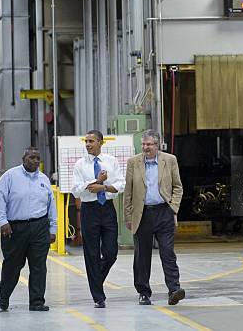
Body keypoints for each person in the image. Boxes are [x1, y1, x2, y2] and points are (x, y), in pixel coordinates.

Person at [124, 129, 185, 306]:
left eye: (149, 144)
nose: (145, 147)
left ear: (157, 145)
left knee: (167, 252)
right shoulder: (133, 162)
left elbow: (178, 187)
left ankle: (174, 289)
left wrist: (173, 208)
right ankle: (143, 292)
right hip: (142, 214)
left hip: (164, 212)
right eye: (143, 144)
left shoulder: (170, 160)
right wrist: (128, 215)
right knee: (142, 256)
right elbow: (128, 192)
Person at [0, 147, 57, 312]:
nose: (35, 161)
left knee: (39, 266)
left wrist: (53, 228)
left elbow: (51, 206)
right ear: (23, 159)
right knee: (12, 266)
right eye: (32, 157)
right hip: (14, 229)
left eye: (37, 158)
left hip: (39, 227)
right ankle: (4, 295)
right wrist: (2, 222)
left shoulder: (43, 179)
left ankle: (36, 302)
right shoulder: (9, 177)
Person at [72, 130, 125, 308]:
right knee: (92, 254)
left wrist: (103, 187)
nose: (88, 144)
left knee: (111, 253)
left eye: (91, 141)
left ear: (100, 142)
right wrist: (95, 181)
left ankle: (96, 281)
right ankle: (98, 297)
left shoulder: (111, 161)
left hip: (107, 209)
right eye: (86, 141)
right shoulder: (80, 164)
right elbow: (76, 190)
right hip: (89, 210)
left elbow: (120, 184)